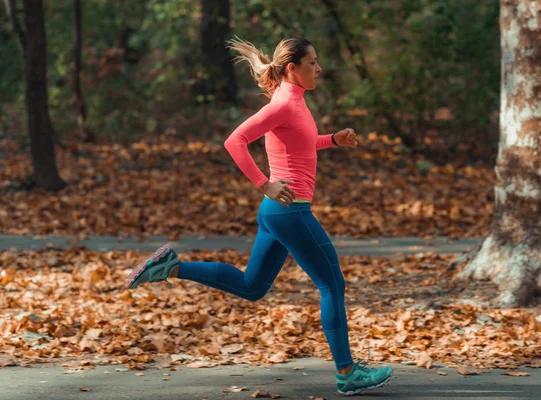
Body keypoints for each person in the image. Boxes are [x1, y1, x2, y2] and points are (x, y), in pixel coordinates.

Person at [126, 36, 392, 396]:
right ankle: (347, 372)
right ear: (291, 69)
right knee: (332, 285)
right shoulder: (283, 103)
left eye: (317, 61)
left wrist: (334, 139)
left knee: (252, 287)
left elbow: (303, 141)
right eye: (312, 62)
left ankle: (171, 267)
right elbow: (235, 140)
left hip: (275, 214)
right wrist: (263, 183)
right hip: (288, 209)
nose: (319, 68)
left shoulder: (293, 101)